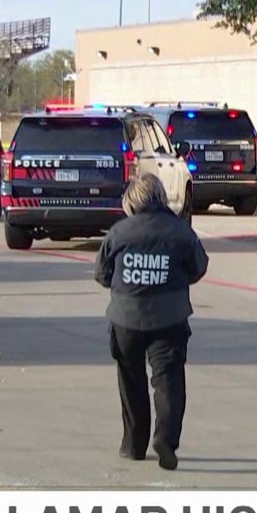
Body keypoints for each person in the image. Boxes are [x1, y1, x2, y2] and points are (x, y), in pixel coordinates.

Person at [94, 173, 209, 470]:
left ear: (131, 201)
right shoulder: (181, 232)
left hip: (126, 318)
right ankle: (166, 440)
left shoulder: (119, 233)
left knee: (131, 379)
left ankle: (133, 444)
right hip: (169, 319)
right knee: (168, 380)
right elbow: (198, 267)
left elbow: (102, 274)